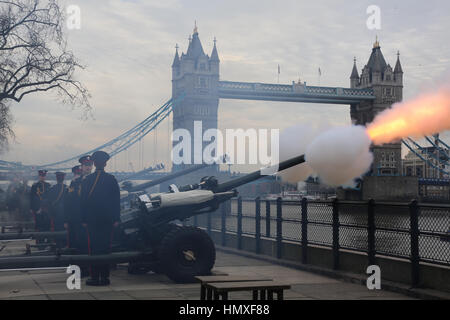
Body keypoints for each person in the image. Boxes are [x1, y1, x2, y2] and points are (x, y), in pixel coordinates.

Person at [81, 151, 120, 286]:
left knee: (93, 248)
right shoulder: (112, 179)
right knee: (105, 248)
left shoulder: (87, 180)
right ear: (105, 163)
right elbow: (116, 201)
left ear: (94, 163)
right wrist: (116, 219)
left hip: (92, 220)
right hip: (107, 220)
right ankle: (105, 277)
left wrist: (84, 220)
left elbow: (83, 202)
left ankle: (94, 277)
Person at [47, 172, 68, 236]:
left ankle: (57, 242)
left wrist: (50, 214)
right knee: (64, 230)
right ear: (63, 178)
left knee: (56, 229)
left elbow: (49, 202)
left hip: (55, 212)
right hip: (64, 213)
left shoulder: (52, 189)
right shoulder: (67, 188)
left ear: (57, 179)